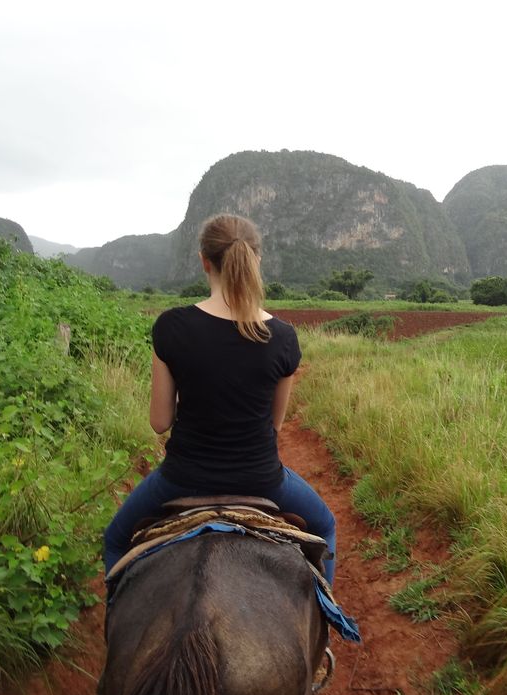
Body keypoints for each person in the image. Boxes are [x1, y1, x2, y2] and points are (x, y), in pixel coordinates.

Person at [102, 213, 336, 586]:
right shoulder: (283, 337)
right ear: (255, 260)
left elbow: (160, 422)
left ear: (203, 261)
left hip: (182, 479)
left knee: (114, 540)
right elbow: (274, 425)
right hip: (262, 481)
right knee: (325, 525)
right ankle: (326, 632)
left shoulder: (171, 326)